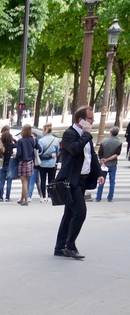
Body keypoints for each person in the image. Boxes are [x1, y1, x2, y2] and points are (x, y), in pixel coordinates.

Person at [54, 105, 104, 260]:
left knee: (69, 213)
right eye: (90, 118)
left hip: (82, 180)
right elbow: (75, 149)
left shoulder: (85, 136)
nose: (92, 121)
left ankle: (60, 247)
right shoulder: (70, 134)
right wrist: (86, 135)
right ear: (80, 119)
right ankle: (70, 246)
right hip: (71, 181)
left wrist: (99, 173)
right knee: (80, 212)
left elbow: (91, 157)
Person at [14, 125, 39, 205]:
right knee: (26, 181)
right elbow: (39, 148)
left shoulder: (20, 141)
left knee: (24, 182)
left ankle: (26, 200)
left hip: (22, 162)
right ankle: (22, 198)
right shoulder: (33, 140)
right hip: (30, 162)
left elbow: (19, 153)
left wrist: (15, 155)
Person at [35, 123, 60, 202]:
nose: (42, 132)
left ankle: (43, 196)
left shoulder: (41, 141)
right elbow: (57, 151)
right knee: (51, 180)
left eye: (42, 130)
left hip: (43, 163)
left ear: (46, 130)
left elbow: (40, 152)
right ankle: (50, 196)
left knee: (42, 180)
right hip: (52, 163)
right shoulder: (55, 140)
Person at [96, 126, 122, 202]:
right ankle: (110, 197)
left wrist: (103, 160)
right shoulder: (119, 143)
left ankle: (98, 197)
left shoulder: (104, 141)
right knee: (112, 182)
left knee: (101, 181)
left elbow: (100, 153)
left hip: (104, 165)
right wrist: (108, 159)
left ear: (110, 132)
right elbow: (117, 154)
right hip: (113, 164)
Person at [0, 125, 15, 202]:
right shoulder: (11, 145)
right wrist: (13, 139)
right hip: (9, 164)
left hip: (2, 164)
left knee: (2, 181)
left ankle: (0, 197)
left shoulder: (1, 145)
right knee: (9, 181)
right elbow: (18, 143)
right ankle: (7, 197)